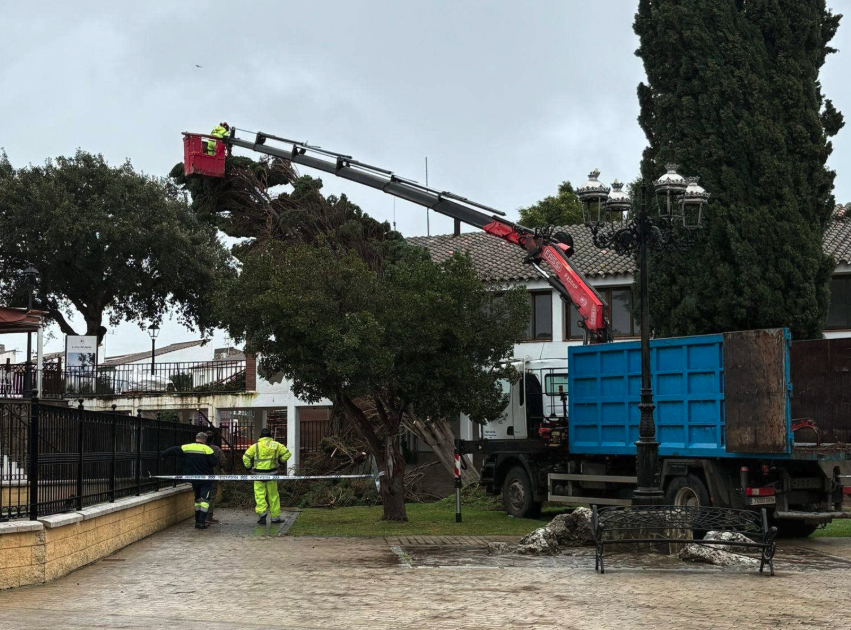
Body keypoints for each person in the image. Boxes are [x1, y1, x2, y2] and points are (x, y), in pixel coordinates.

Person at [161, 432, 219, 530]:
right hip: (206, 479)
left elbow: (173, 450)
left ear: (196, 438)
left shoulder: (186, 447)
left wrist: (163, 454)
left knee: (197, 498)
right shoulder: (207, 449)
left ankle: (197, 521)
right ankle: (201, 522)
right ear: (205, 440)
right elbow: (214, 463)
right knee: (204, 499)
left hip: (193, 478)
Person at [243, 427, 292, 525]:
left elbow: (245, 457)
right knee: (273, 496)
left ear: (260, 437)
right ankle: (275, 518)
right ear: (270, 436)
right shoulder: (276, 445)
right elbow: (288, 454)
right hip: (272, 475)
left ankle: (262, 515)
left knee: (259, 495)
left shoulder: (255, 446)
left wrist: (249, 469)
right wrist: (279, 462)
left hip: (258, 475)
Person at [204, 429, 228, 525]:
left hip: (199, 475)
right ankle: (208, 516)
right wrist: (222, 468)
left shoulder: (198, 448)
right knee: (211, 496)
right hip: (213, 475)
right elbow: (223, 461)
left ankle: (200, 516)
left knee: (200, 496)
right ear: (213, 438)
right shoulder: (216, 449)